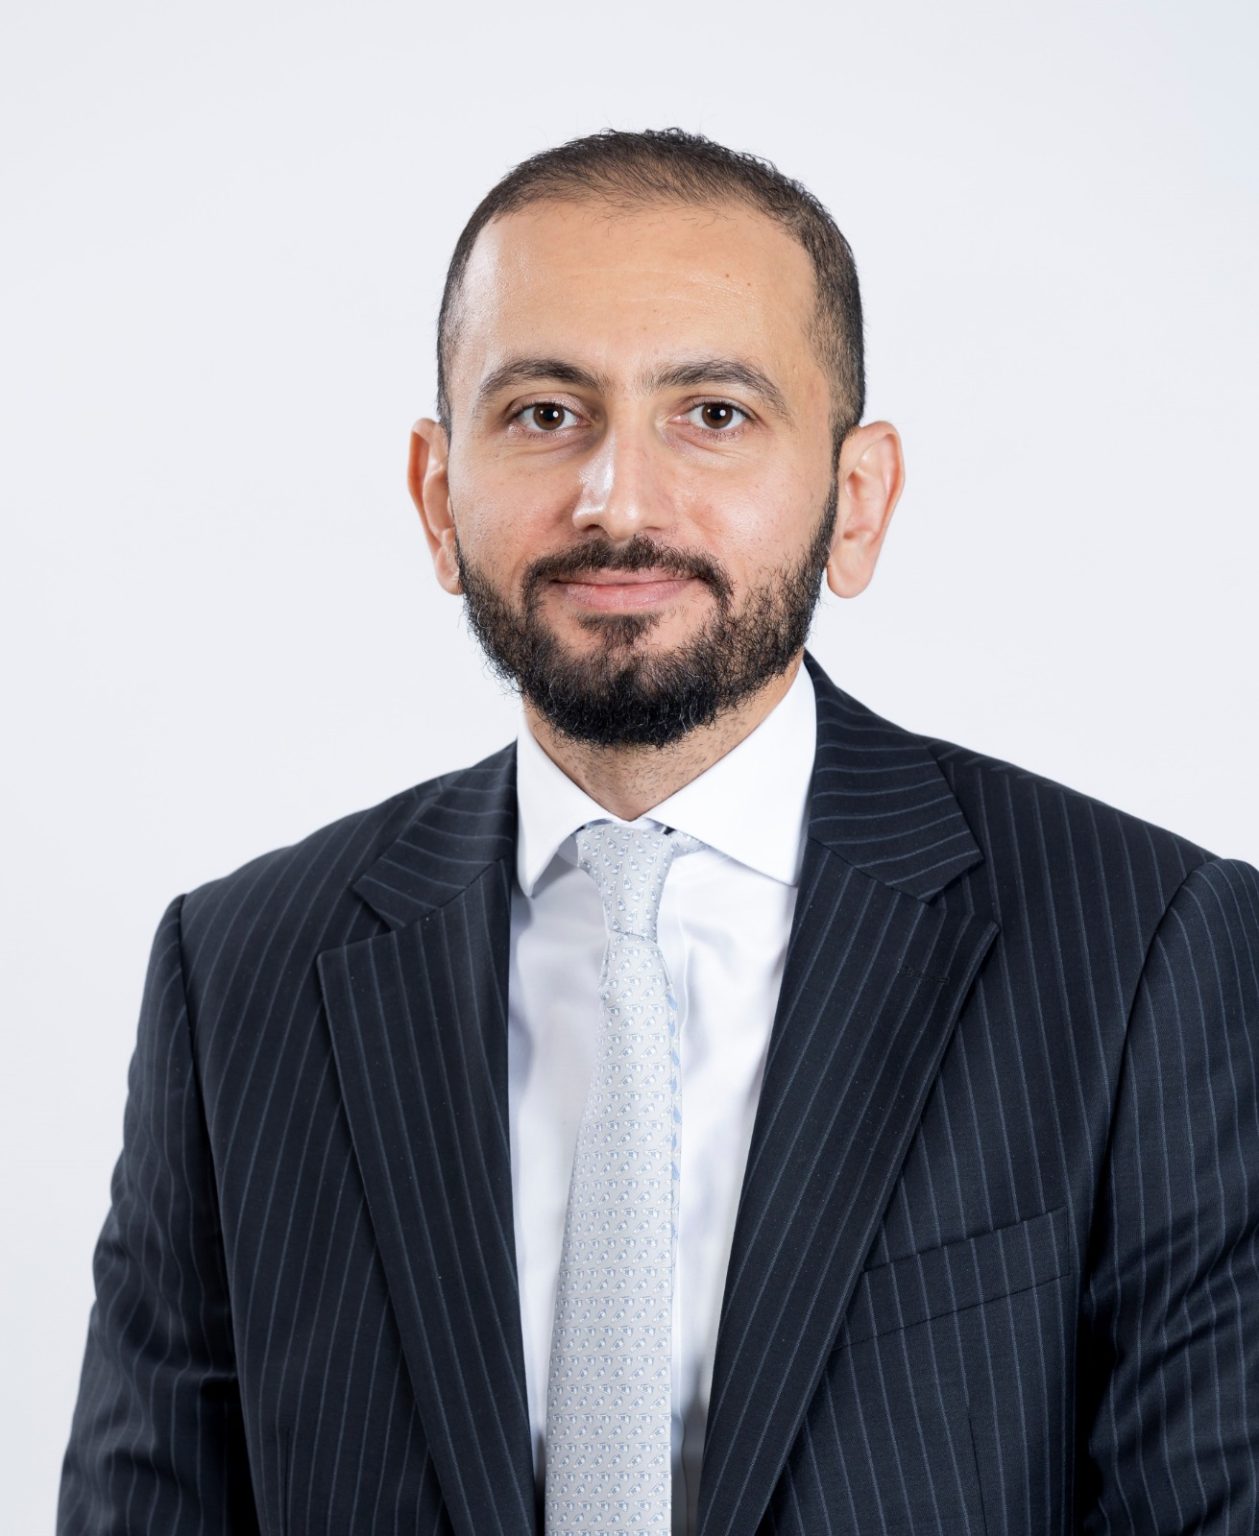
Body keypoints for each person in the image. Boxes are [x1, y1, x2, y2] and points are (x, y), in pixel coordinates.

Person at [58, 127, 1259, 1536]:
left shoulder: (1145, 950)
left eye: (714, 413)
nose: (618, 501)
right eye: (544, 413)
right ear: (439, 499)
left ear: (856, 500)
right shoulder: (239, 974)